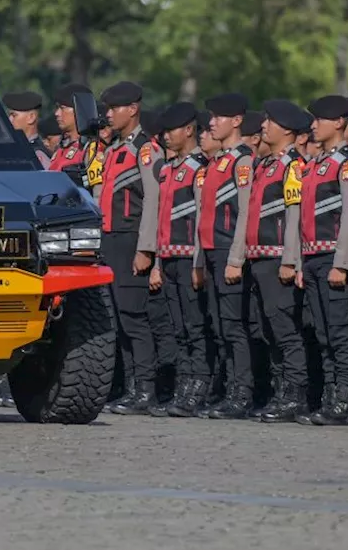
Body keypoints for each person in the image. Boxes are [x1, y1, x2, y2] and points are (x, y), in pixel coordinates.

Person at [287, 95, 348, 426]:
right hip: (313, 255)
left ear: (339, 123)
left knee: (340, 331)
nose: (313, 125)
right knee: (322, 332)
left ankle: (343, 398)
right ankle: (330, 395)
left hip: (332, 255)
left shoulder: (346, 163)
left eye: (320, 120)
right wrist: (301, 261)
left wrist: (342, 263)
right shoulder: (316, 163)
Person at [98, 81, 162, 415]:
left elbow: (153, 199)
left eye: (114, 108)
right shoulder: (114, 149)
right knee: (118, 318)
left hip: (131, 239)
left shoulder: (145, 149)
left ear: (133, 109)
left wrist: (146, 248)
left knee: (134, 317)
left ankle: (146, 390)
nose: (108, 114)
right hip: (110, 238)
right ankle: (128, 387)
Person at [194, 93, 256, 419]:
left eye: (219, 117)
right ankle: (228, 388)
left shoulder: (242, 161)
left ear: (236, 121)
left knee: (234, 325)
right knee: (219, 326)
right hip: (210, 250)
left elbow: (245, 212)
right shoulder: (218, 161)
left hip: (227, 249)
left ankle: (242, 393)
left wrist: (236, 257)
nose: (212, 123)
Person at [249, 100, 311, 422]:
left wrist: (290, 259)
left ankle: (295, 395)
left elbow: (294, 213)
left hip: (277, 259)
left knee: (285, 328)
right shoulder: (266, 165)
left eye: (269, 121)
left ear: (287, 129)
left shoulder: (293, 166)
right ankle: (279, 391)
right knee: (268, 330)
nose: (263, 126)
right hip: (259, 256)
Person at [147, 102, 209, 417]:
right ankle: (183, 386)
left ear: (188, 130)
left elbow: (202, 220)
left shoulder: (200, 168)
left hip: (188, 259)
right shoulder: (169, 169)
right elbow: (161, 220)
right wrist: (157, 263)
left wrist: (200, 262)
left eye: (172, 130)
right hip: (168, 257)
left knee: (195, 326)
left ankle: (199, 385)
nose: (166, 136)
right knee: (178, 328)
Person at [48, 83, 93, 175]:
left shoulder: (91, 148)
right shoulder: (61, 147)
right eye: (57, 108)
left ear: (78, 110)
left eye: (62, 108)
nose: (57, 113)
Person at [2, 91, 52, 167]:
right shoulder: (22, 148)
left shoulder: (37, 154)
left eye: (14, 115)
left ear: (31, 117)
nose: (10, 120)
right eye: (9, 115)